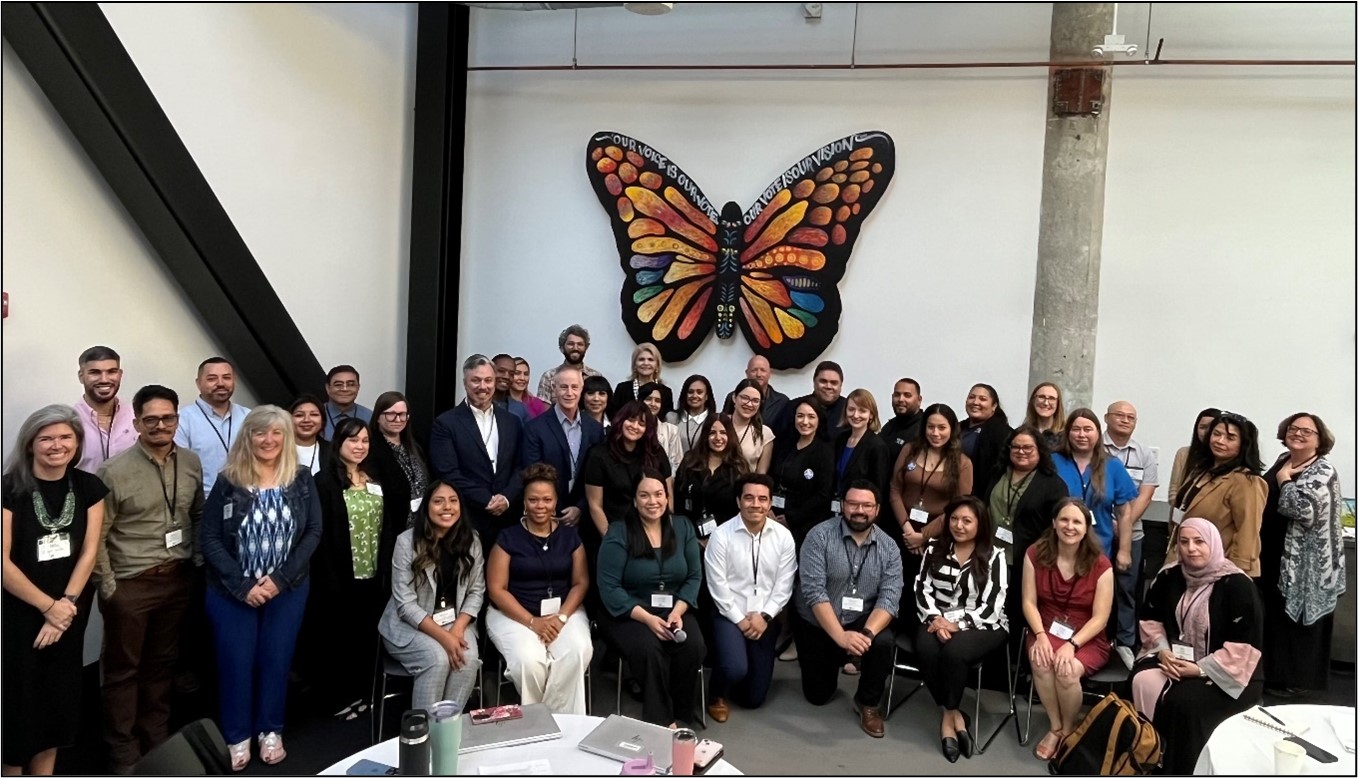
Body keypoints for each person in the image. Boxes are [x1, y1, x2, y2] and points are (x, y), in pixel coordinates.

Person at [200, 406, 322, 770]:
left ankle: (271, 730)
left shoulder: (300, 478)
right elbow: (209, 538)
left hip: (287, 589)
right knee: (236, 663)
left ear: (286, 437)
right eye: (260, 433)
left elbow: (313, 531)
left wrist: (280, 580)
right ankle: (237, 735)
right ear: (248, 437)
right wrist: (243, 586)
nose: (269, 440)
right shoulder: (229, 480)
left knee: (276, 660)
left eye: (276, 433)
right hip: (232, 592)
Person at [95, 386, 204, 773]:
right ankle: (123, 750)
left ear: (177, 419)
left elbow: (197, 514)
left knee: (162, 665)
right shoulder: (113, 471)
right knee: (123, 671)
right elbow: (98, 536)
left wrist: (197, 561)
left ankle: (156, 738)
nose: (160, 425)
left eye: (168, 418)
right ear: (137, 422)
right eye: (151, 419)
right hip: (131, 585)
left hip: (176, 580)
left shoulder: (190, 462)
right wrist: (110, 587)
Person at [2, 406, 106, 776]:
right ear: (30, 444)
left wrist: (66, 606)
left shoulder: (89, 487)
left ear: (77, 443)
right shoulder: (9, 488)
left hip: (67, 614)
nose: (56, 445)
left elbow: (89, 552)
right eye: (46, 438)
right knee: (18, 710)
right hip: (18, 615)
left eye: (65, 437)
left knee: (57, 709)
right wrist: (49, 607)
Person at [1130, 518, 1263, 776]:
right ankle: (1143, 756)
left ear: (1213, 543)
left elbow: (1245, 645)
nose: (1191, 548)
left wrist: (1200, 669)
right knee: (1140, 680)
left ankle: (1179, 769)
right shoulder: (1169, 576)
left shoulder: (1237, 585)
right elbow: (1150, 619)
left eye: (1199, 541)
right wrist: (1162, 651)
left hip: (1229, 670)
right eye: (1184, 541)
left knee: (1183, 704)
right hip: (1172, 658)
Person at [310, 417, 407, 720]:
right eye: (353, 440)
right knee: (340, 639)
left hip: (374, 574)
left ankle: (365, 692)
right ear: (338, 442)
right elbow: (320, 534)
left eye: (365, 440)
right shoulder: (324, 482)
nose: (360, 446)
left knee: (367, 636)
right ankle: (340, 698)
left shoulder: (373, 477)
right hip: (340, 576)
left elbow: (387, 523)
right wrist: (329, 577)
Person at [596, 473, 706, 727]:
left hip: (674, 607)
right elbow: (609, 586)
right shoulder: (618, 532)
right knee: (649, 649)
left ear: (667, 498)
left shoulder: (683, 527)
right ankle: (662, 720)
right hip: (629, 611)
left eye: (658, 494)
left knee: (693, 645)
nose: (652, 501)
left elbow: (694, 576)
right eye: (644, 495)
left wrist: (678, 612)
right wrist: (647, 619)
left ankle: (682, 712)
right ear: (635, 501)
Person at [794, 481, 903, 738]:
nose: (859, 510)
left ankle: (867, 703)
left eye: (867, 505)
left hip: (861, 619)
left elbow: (889, 598)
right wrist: (841, 637)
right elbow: (814, 593)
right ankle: (840, 657)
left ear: (877, 509)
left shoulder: (889, 547)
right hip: (819, 621)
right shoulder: (819, 536)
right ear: (842, 505)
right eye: (853, 504)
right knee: (818, 696)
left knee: (883, 642)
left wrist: (866, 634)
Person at [486, 464, 593, 714]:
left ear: (555, 502)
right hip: (514, 615)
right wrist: (533, 622)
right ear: (524, 502)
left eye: (547, 499)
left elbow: (581, 582)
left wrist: (561, 617)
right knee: (529, 662)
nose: (540, 505)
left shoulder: (570, 537)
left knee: (578, 651)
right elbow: (496, 589)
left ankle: (549, 720)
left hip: (564, 612)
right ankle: (543, 722)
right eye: (533, 500)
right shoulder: (507, 538)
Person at [914, 496, 1010, 762]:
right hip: (937, 618)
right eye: (954, 519)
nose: (959, 525)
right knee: (925, 649)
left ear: (980, 524)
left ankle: (947, 722)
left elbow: (993, 604)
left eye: (967, 520)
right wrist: (936, 619)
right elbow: (921, 589)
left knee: (953, 653)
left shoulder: (995, 556)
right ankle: (954, 715)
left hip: (984, 623)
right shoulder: (934, 549)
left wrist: (957, 624)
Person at [378, 481, 485, 712]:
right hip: (410, 625)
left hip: (455, 621)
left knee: (467, 660)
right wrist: (445, 639)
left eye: (453, 501)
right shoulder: (406, 542)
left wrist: (457, 629)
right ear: (426, 507)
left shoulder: (472, 540)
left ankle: (448, 726)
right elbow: (405, 605)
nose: (447, 507)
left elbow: (476, 591)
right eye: (438, 501)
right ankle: (425, 728)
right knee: (437, 659)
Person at [1020, 499, 1114, 761]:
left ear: (1086, 528)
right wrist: (1040, 636)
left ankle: (1070, 729)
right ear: (1054, 523)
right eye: (1064, 519)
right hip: (1045, 627)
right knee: (1041, 661)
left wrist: (1072, 645)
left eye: (1076, 522)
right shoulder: (1035, 554)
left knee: (1067, 670)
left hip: (1086, 635)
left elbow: (1101, 618)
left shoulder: (1101, 565)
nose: (1069, 526)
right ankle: (1055, 727)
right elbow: (1028, 602)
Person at [1260, 412, 1345, 697]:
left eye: (1307, 431)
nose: (1298, 434)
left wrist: (1285, 481)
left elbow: (1304, 511)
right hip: (1273, 552)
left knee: (1298, 623)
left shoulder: (1322, 470)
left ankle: (1296, 682)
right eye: (1293, 428)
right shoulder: (1283, 460)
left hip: (1306, 562)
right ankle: (1273, 675)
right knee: (1274, 616)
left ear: (1320, 440)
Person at [703, 474, 797, 722]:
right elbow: (717, 585)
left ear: (770, 503)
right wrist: (740, 620)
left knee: (753, 699)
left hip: (765, 617)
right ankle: (715, 693)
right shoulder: (721, 536)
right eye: (749, 498)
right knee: (734, 668)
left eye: (762, 499)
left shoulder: (783, 537)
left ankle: (738, 669)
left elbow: (784, 584)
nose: (756, 504)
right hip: (729, 613)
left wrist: (765, 616)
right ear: (738, 501)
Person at [429, 355, 524, 551]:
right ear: (465, 383)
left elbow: (521, 466)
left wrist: (506, 498)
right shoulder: (445, 423)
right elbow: (448, 472)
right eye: (476, 380)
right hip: (468, 519)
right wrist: (486, 500)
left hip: (508, 519)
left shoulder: (512, 421)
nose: (483, 386)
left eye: (488, 380)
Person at [1165, 411, 1266, 577]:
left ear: (1243, 444)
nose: (1220, 441)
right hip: (1180, 558)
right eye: (1216, 434)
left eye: (1230, 438)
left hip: (1214, 568)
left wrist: (1235, 575)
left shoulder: (1246, 481)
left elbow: (1247, 533)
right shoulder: (1201, 470)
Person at [888, 403, 973, 590]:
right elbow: (895, 489)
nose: (935, 433)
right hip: (902, 529)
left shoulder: (962, 463)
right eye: (931, 427)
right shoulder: (910, 450)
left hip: (937, 537)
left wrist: (923, 536)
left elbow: (958, 507)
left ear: (952, 429)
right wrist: (908, 530)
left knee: (924, 589)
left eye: (942, 427)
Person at [1102, 401, 1159, 669]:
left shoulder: (1144, 453)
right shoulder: (1095, 448)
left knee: (1127, 589)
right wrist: (1110, 523)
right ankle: (1097, 640)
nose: (1125, 420)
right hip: (1098, 530)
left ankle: (1125, 643)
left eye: (1131, 417)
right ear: (1106, 418)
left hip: (1132, 532)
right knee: (1093, 587)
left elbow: (1146, 493)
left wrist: (1124, 524)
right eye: (1119, 415)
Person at [985, 426, 1070, 594]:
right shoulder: (997, 473)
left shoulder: (1054, 485)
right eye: (1015, 447)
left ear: (1040, 450)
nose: (1021, 451)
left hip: (1029, 562)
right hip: (990, 556)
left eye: (1028, 447)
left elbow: (1056, 527)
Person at [523, 367, 606, 532]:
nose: (569, 393)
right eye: (563, 387)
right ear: (554, 389)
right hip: (547, 516)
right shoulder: (535, 428)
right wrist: (554, 508)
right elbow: (532, 473)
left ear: (581, 389)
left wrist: (580, 507)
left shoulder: (595, 429)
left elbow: (598, 475)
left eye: (574, 387)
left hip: (585, 519)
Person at [1052, 410, 1138, 568]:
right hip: (1058, 549)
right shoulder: (1053, 462)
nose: (1081, 435)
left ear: (1098, 433)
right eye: (1076, 429)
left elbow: (1124, 514)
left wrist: (1124, 551)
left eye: (1087, 429)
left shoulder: (1113, 466)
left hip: (1099, 550)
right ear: (1068, 433)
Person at [583, 402, 673, 549]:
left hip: (653, 533)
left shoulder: (655, 452)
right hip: (615, 531)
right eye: (630, 420)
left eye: (641, 423)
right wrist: (611, 540)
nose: (635, 426)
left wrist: (666, 532)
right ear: (620, 420)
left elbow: (668, 495)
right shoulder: (599, 455)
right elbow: (595, 505)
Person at [175, 357, 250, 495]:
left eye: (226, 378)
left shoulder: (249, 417)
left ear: (234, 381)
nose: (220, 383)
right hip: (204, 502)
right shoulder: (182, 420)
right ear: (198, 383)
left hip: (247, 498)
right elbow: (180, 471)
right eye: (212, 379)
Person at [768, 401, 835, 549]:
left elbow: (822, 495)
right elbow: (771, 477)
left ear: (819, 420)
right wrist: (768, 508)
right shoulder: (784, 445)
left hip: (803, 526)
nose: (805, 422)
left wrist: (791, 518)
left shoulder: (824, 452)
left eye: (811, 417)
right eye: (800, 416)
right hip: (773, 518)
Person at [673, 414, 747, 540]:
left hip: (727, 537)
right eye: (712, 433)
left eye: (723, 433)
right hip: (690, 537)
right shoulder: (689, 462)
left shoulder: (739, 468)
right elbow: (678, 502)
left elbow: (740, 510)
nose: (718, 438)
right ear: (705, 435)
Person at [366, 391, 429, 526]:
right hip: (391, 521)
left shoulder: (416, 444)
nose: (398, 419)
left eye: (402, 414)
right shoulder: (370, 448)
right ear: (378, 417)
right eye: (391, 414)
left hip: (422, 522)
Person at [74, 345, 138, 473]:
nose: (104, 379)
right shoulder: (69, 422)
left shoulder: (137, 417)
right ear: (81, 376)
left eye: (111, 372)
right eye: (95, 372)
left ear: (120, 375)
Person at [832, 389, 891, 502]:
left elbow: (878, 488)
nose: (855, 415)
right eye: (851, 409)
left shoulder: (877, 446)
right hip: (836, 504)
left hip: (860, 507)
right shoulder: (840, 439)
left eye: (862, 411)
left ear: (871, 415)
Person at [959, 383, 1012, 498]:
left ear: (994, 406)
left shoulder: (1003, 434)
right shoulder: (957, 428)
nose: (975, 402)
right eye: (971, 397)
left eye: (982, 399)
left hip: (980, 498)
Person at [536, 324, 605, 404]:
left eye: (580, 344)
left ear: (586, 348)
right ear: (562, 348)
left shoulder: (595, 376)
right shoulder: (549, 376)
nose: (575, 348)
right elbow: (542, 409)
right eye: (570, 344)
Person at [722, 356, 789, 433]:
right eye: (754, 370)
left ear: (770, 373)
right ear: (747, 373)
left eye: (763, 370)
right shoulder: (734, 397)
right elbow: (724, 425)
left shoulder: (782, 402)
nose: (758, 374)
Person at [1167, 408, 1221, 505]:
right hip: (1180, 509)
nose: (1206, 432)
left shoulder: (1221, 458)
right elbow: (1174, 487)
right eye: (1202, 427)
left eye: (1212, 428)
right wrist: (1179, 503)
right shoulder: (1183, 453)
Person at [609, 343, 675, 421]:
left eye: (650, 359)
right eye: (641, 359)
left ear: (657, 366)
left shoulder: (666, 392)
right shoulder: (622, 389)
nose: (646, 363)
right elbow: (615, 418)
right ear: (634, 365)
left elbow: (667, 421)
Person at [783, 360, 846, 440]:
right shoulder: (794, 406)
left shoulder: (849, 410)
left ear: (841, 385)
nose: (828, 386)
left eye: (834, 383)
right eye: (823, 381)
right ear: (814, 382)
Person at [729, 378, 776, 474]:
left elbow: (761, 474)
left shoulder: (765, 433)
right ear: (734, 398)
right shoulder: (718, 423)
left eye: (755, 401)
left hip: (746, 482)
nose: (749, 404)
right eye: (745, 398)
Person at [638, 381, 684, 471]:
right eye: (648, 399)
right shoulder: (633, 427)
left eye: (657, 401)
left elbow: (677, 464)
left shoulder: (671, 430)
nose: (653, 404)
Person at [667, 374, 716, 457]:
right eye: (690, 392)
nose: (694, 396)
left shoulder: (714, 421)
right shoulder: (671, 418)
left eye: (699, 392)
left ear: (707, 396)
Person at [878, 377, 924, 466]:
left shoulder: (924, 429)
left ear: (919, 400)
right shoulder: (889, 427)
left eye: (907, 395)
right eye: (897, 395)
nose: (901, 399)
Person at [322, 364, 372, 440]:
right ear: (328, 388)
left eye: (351, 384)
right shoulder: (316, 415)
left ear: (358, 388)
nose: (345, 389)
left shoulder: (369, 417)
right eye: (338, 385)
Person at [289, 394, 329, 477]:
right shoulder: (276, 450)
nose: (306, 420)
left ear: (322, 420)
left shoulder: (333, 451)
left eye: (314, 415)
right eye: (299, 415)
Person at [1022, 383, 1065, 450]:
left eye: (1051, 398)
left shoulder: (1066, 435)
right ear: (1033, 400)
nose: (1046, 403)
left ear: (1058, 403)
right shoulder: (1022, 432)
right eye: (1041, 397)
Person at [492, 353, 531, 424]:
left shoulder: (520, 409)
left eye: (511, 374)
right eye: (501, 371)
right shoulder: (477, 404)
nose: (506, 376)